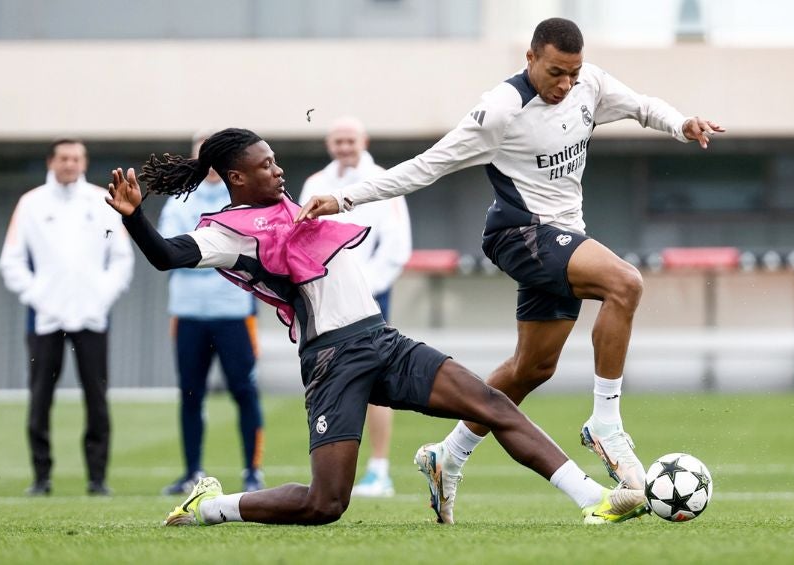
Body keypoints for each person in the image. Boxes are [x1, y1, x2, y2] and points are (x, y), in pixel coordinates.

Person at [296, 17, 725, 523]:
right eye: (555, 72)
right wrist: (343, 197)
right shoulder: (498, 111)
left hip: (563, 235)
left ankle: (446, 456)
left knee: (531, 369)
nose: (565, 84)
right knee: (624, 282)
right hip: (519, 234)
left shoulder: (589, 84)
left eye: (573, 72)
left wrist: (682, 125)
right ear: (530, 59)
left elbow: (643, 107)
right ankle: (606, 425)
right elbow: (426, 166)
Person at [104, 127, 646, 526]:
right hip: (333, 361)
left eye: (275, 161)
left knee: (492, 403)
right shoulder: (227, 233)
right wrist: (134, 218)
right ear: (237, 177)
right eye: (266, 165)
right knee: (326, 504)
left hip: (382, 339)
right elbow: (166, 256)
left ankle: (594, 500)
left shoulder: (290, 203)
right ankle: (214, 507)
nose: (278, 170)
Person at [0, 138, 134, 496]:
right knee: (40, 398)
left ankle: (97, 479)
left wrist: (102, 296)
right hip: (46, 318)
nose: (70, 164)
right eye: (64, 158)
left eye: (76, 158)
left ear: (84, 161)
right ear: (51, 161)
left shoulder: (102, 202)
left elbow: (121, 257)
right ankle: (41, 477)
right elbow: (11, 261)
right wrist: (38, 296)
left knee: (97, 399)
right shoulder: (31, 204)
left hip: (92, 317)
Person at [300, 117, 412, 498]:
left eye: (350, 139)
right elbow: (301, 238)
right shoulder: (315, 184)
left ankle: (379, 470)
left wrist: (366, 288)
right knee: (328, 377)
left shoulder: (384, 179)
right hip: (324, 299)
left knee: (376, 382)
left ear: (363, 140)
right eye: (338, 140)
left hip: (370, 298)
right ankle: (331, 470)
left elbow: (397, 246)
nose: (344, 146)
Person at [157, 130, 266, 495]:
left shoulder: (245, 197)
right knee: (190, 394)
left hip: (234, 312)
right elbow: (170, 253)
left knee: (244, 391)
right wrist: (219, 253)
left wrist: (201, 251)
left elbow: (251, 248)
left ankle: (253, 471)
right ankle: (192, 472)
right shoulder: (178, 200)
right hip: (188, 313)